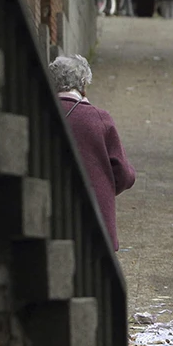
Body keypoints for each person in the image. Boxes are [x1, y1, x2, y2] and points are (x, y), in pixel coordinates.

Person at [49, 55, 136, 250]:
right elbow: (122, 174)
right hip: (96, 219)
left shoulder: (40, 113)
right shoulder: (99, 118)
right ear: (83, 86)